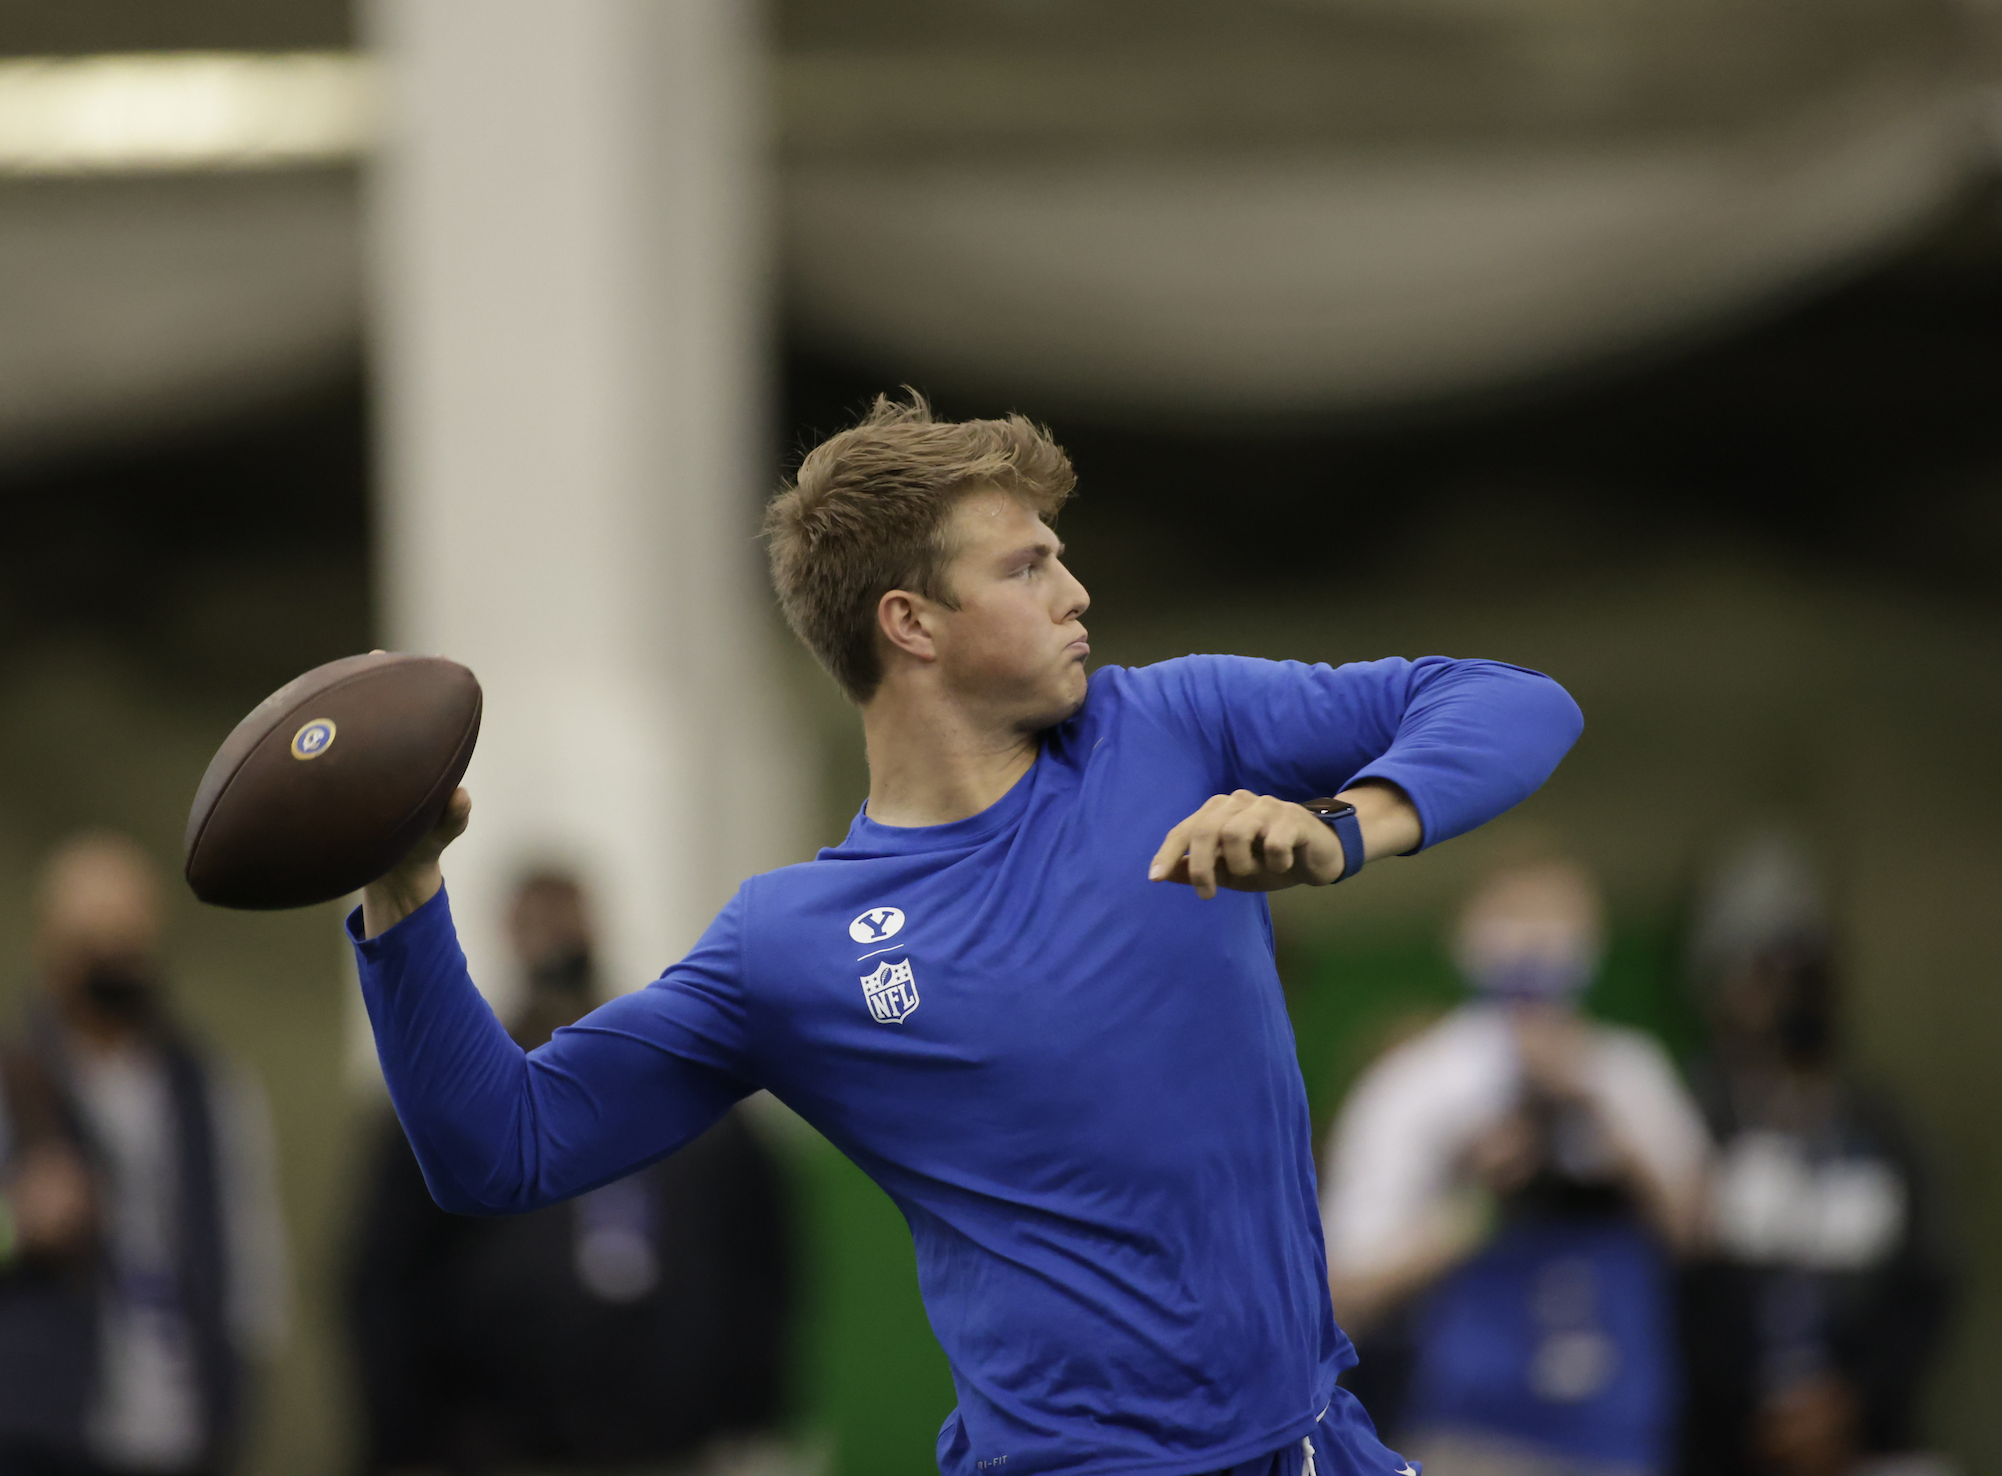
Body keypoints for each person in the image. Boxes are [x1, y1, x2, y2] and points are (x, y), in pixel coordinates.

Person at [350, 394, 1586, 1476]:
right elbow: (495, 1147)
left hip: (1321, 1445)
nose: (1076, 590)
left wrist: (1342, 826)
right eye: (1028, 566)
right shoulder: (789, 943)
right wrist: (401, 893)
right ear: (911, 623)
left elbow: (1515, 700)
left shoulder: (1173, 724)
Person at [0, 831, 290, 1476]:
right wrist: (2, 1224)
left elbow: (252, 1276)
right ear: (50, 944)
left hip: (183, 1439)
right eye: (94, 941)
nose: (117, 960)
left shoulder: (211, 1088)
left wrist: (236, 1396)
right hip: (31, 1438)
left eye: (132, 937)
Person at [347, 869, 793, 1475]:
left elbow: (758, 1255)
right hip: (501, 1445)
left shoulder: (678, 1077)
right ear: (510, 935)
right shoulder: (454, 1099)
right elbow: (388, 1276)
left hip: (671, 1444)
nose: (559, 940)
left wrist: (754, 1407)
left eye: (570, 919)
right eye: (539, 921)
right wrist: (402, 1438)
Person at [1318, 856, 1710, 1476]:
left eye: (1555, 916)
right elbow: (1343, 1291)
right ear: (1467, 933)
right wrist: (1474, 1207)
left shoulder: (1631, 1073)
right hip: (1471, 1438)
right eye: (1516, 914)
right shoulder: (1417, 1084)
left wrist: (1612, 1137)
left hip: (1622, 1437)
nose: (1536, 940)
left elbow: (1697, 1237)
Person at [1672, 835, 1955, 1476]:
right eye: (1751, 970)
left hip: (1873, 1441)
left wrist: (1850, 1398)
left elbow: (1928, 1286)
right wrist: (1749, 1406)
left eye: (1790, 970)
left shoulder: (1883, 1125)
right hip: (1721, 1447)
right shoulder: (1691, 1117)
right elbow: (1671, 1291)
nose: (1770, 994)